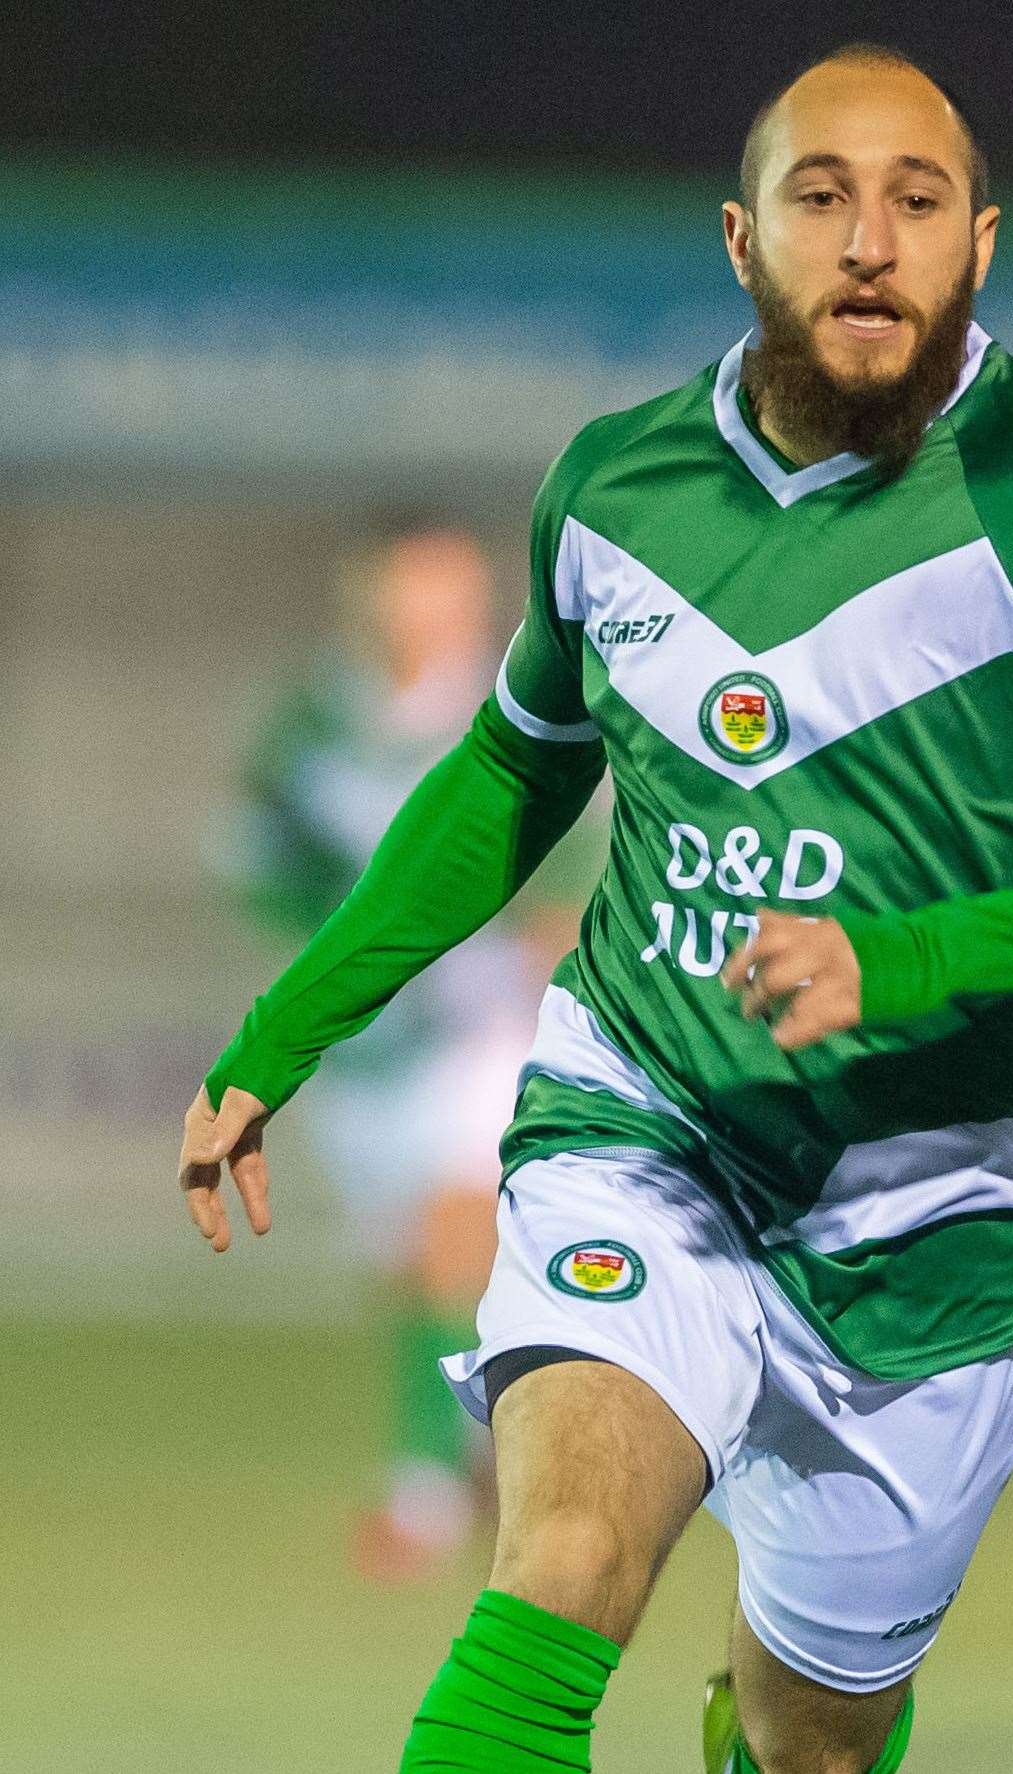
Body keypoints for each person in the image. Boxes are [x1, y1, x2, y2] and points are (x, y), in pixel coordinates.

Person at [178, 43, 1013, 1773]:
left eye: (916, 202)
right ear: (740, 240)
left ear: (980, 244)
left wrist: (920, 955)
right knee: (561, 1565)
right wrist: (285, 1030)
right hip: (650, 1115)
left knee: (809, 1734)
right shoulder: (617, 486)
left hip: (947, 1200)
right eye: (822, 197)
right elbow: (507, 773)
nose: (870, 239)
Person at [221, 517, 586, 1579]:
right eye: (420, 588)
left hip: (487, 1023)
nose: (444, 611)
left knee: (451, 1232)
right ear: (370, 591)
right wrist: (326, 951)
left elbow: (572, 861)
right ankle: (480, 1448)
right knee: (411, 1273)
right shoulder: (312, 721)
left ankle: (424, 1494)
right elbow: (255, 859)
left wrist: (544, 945)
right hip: (368, 1040)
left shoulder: (515, 706)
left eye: (459, 590)